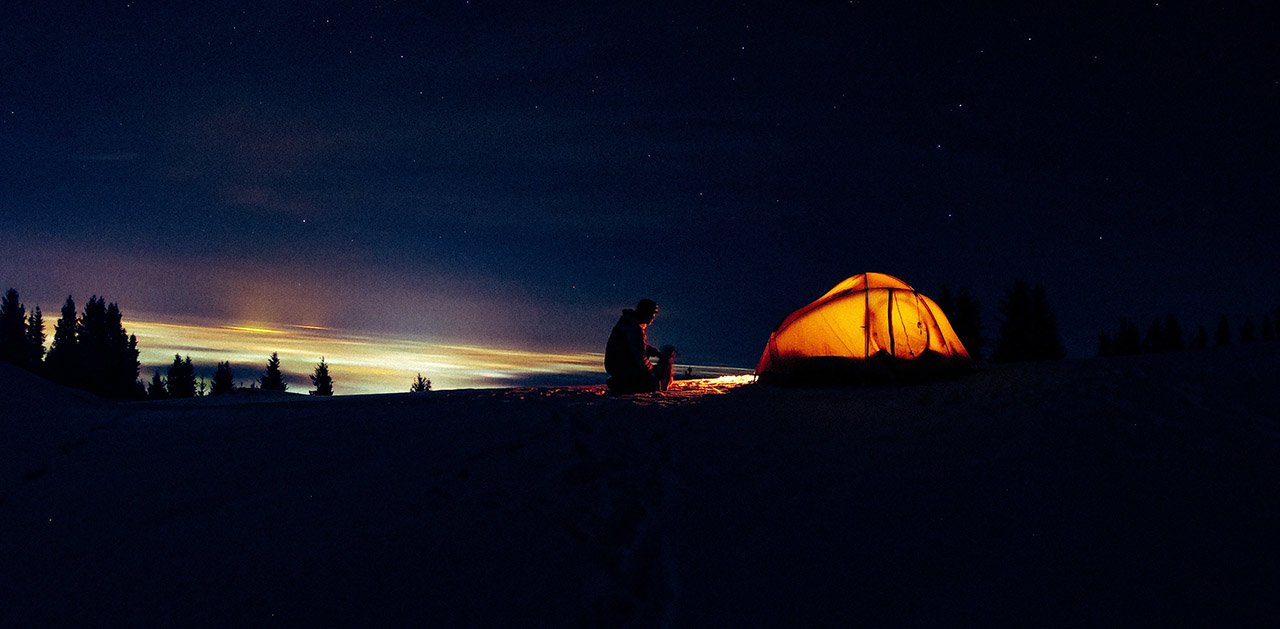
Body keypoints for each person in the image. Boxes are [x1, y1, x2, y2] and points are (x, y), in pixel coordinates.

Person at [605, 298, 662, 394]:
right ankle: (621, 385)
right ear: (644, 312)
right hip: (620, 366)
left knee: (647, 377)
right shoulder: (634, 327)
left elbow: (633, 344)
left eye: (655, 314)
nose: (653, 317)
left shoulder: (631, 323)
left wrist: (651, 351)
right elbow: (640, 356)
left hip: (616, 364)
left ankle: (622, 382)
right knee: (650, 384)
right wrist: (652, 369)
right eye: (652, 313)